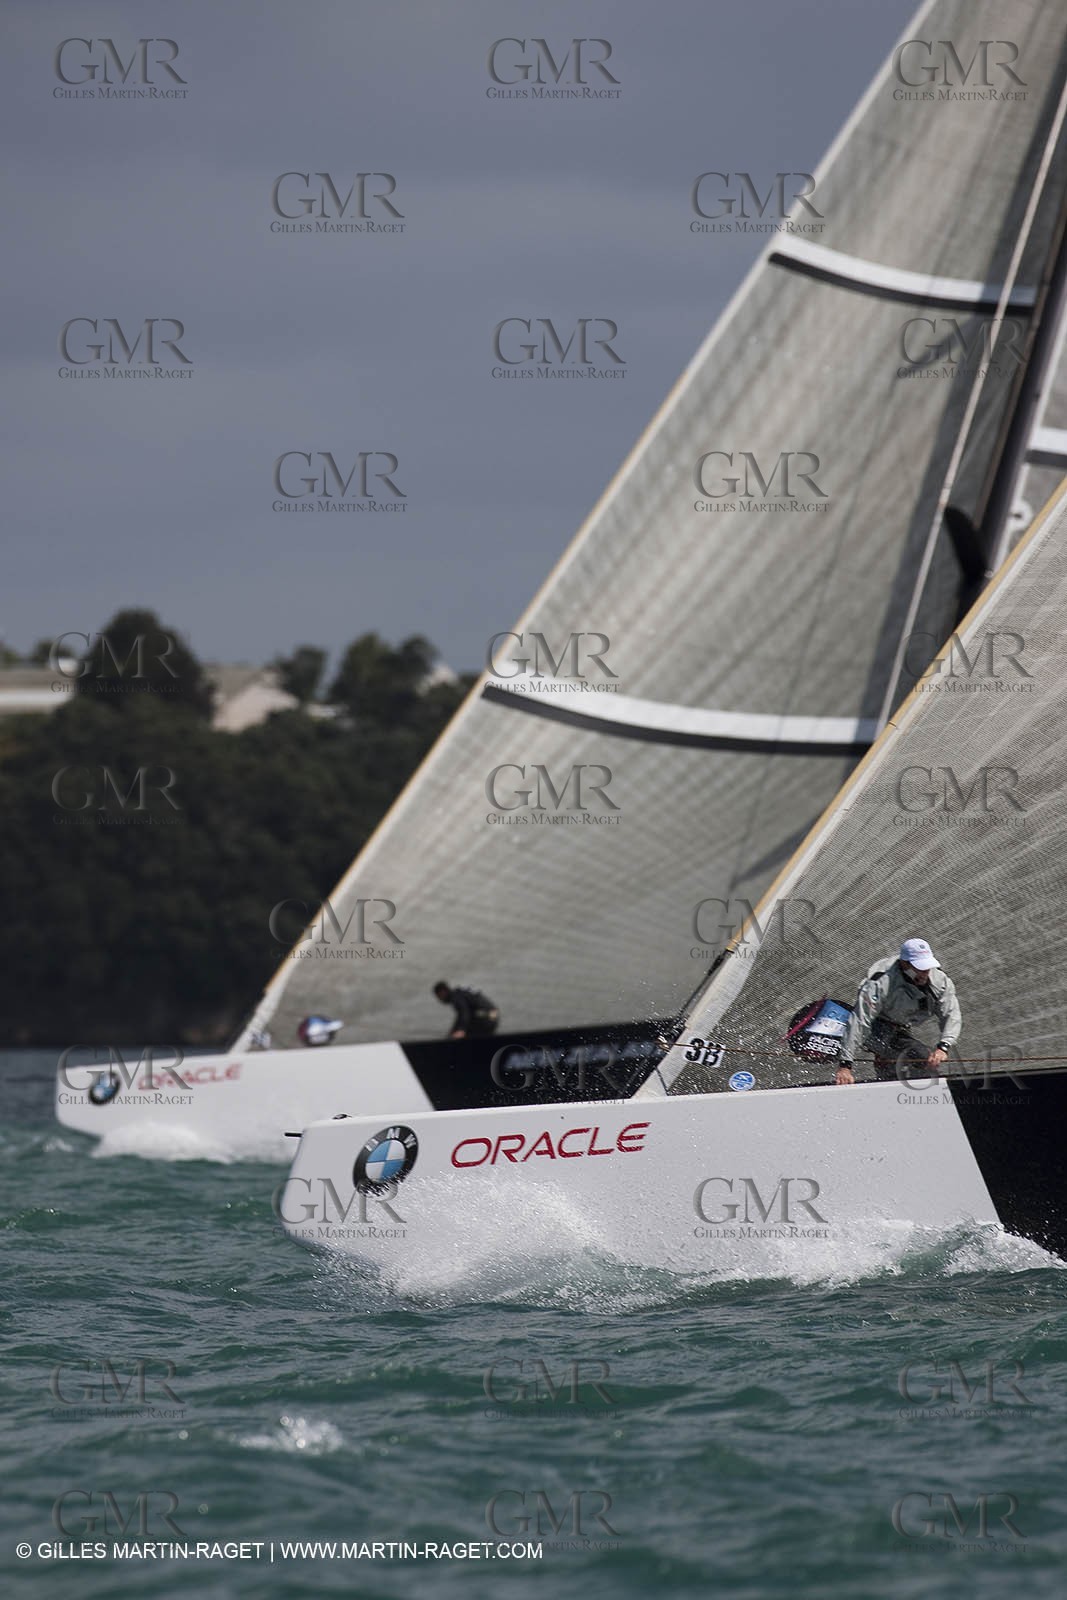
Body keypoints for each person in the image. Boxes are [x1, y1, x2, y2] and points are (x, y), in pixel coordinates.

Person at [835, 937, 960, 1085]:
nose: (924, 974)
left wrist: (944, 1046)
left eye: (927, 968)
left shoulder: (941, 981)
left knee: (917, 1060)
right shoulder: (880, 982)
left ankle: (890, 1075)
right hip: (876, 1026)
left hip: (901, 1027)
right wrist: (845, 1065)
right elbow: (860, 1021)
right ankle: (889, 1077)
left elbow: (951, 1015)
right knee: (919, 1056)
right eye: (919, 968)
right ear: (904, 964)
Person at [433, 981, 499, 1039]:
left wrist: (461, 1030)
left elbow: (464, 1013)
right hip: (492, 1016)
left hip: (486, 1018)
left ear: (442, 992)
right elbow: (460, 1018)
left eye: (439, 996)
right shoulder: (459, 993)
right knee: (463, 1028)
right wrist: (452, 1033)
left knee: (465, 1031)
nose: (440, 1000)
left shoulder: (456, 996)